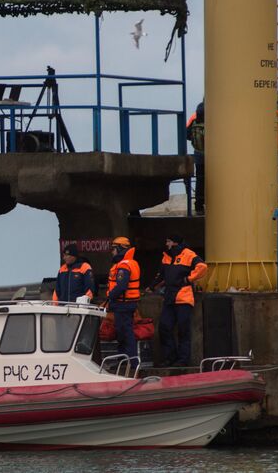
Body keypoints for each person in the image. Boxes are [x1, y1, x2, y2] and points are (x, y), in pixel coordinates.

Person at [148, 234, 207, 367]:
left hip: (184, 298)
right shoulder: (166, 257)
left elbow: (202, 267)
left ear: (175, 243)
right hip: (169, 297)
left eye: (168, 241)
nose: (166, 244)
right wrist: (152, 287)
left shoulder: (188, 254)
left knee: (183, 330)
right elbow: (162, 276)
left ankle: (182, 360)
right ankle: (170, 358)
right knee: (164, 327)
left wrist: (189, 279)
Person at [104, 237, 140, 360]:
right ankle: (125, 360)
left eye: (113, 249)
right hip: (124, 304)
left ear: (120, 249)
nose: (112, 252)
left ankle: (130, 361)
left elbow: (121, 286)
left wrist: (110, 296)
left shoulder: (124, 265)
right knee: (123, 332)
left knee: (125, 333)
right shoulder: (128, 263)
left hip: (123, 305)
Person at [186, 101, 205, 215]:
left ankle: (199, 206)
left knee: (200, 180)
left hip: (198, 154)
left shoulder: (194, 117)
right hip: (216, 157)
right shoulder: (217, 113)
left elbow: (187, 135)